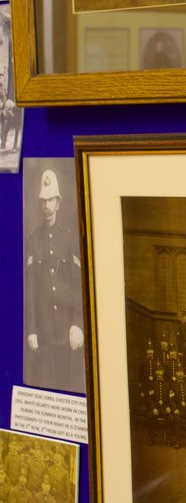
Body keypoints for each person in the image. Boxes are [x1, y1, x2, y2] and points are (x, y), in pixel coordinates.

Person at [25, 168, 85, 392]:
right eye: (43, 201)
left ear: (58, 203)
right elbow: (29, 290)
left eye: (51, 200)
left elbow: (77, 285)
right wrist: (31, 329)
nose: (46, 206)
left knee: (65, 386)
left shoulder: (69, 239)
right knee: (43, 388)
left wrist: (77, 323)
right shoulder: (33, 240)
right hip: (42, 333)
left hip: (65, 334)